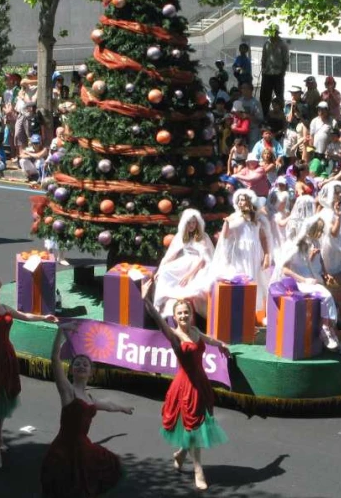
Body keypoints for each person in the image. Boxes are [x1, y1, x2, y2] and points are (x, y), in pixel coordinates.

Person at [0, 241, 57, 468]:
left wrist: (44, 318)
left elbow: (25, 316)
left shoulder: (5, 308)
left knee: (3, 399)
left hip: (6, 356)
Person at [143, 283, 229, 490]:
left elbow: (207, 339)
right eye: (179, 313)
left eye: (186, 312)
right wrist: (146, 298)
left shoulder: (196, 330)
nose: (183, 316)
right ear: (175, 316)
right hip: (185, 386)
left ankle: (181, 453)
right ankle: (198, 470)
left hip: (201, 383)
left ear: (191, 314)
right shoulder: (174, 336)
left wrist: (222, 345)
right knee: (192, 427)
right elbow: (155, 317)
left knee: (196, 427)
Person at [40, 324, 133, 498]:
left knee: (87, 483)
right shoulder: (68, 391)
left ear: (91, 373)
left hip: (83, 449)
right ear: (72, 370)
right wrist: (61, 331)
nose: (81, 366)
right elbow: (54, 359)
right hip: (64, 449)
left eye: (85, 364)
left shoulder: (90, 399)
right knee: (65, 487)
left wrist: (123, 408)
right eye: (77, 364)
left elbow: (108, 405)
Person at [272, 217, 341, 353]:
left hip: (314, 278)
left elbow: (320, 261)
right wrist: (303, 279)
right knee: (326, 295)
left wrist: (325, 273)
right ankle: (325, 329)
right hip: (300, 281)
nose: (320, 234)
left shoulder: (315, 242)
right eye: (318, 231)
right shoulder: (297, 246)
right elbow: (286, 269)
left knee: (331, 294)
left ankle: (331, 329)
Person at [210, 189, 272, 321]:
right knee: (244, 278)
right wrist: (226, 223)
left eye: (243, 199)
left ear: (249, 201)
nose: (240, 202)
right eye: (238, 200)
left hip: (254, 253)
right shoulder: (234, 217)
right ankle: (240, 315)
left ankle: (252, 315)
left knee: (256, 280)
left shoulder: (256, 218)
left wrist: (266, 255)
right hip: (241, 254)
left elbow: (263, 238)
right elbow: (225, 236)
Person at [153, 209, 215, 318]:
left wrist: (189, 275)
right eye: (189, 223)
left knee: (196, 285)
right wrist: (160, 269)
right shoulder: (181, 236)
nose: (191, 225)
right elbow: (170, 255)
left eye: (194, 223)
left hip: (198, 266)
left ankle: (194, 312)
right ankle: (160, 303)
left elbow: (203, 259)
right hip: (185, 261)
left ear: (198, 223)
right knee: (165, 272)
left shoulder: (202, 236)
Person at [260, 25, 289, 117]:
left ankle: (280, 116)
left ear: (277, 33)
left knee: (279, 97)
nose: (272, 35)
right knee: (264, 97)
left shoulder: (282, 45)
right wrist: (263, 69)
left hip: (278, 74)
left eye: (274, 33)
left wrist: (282, 73)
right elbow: (263, 58)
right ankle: (265, 116)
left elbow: (285, 61)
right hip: (267, 74)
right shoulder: (266, 44)